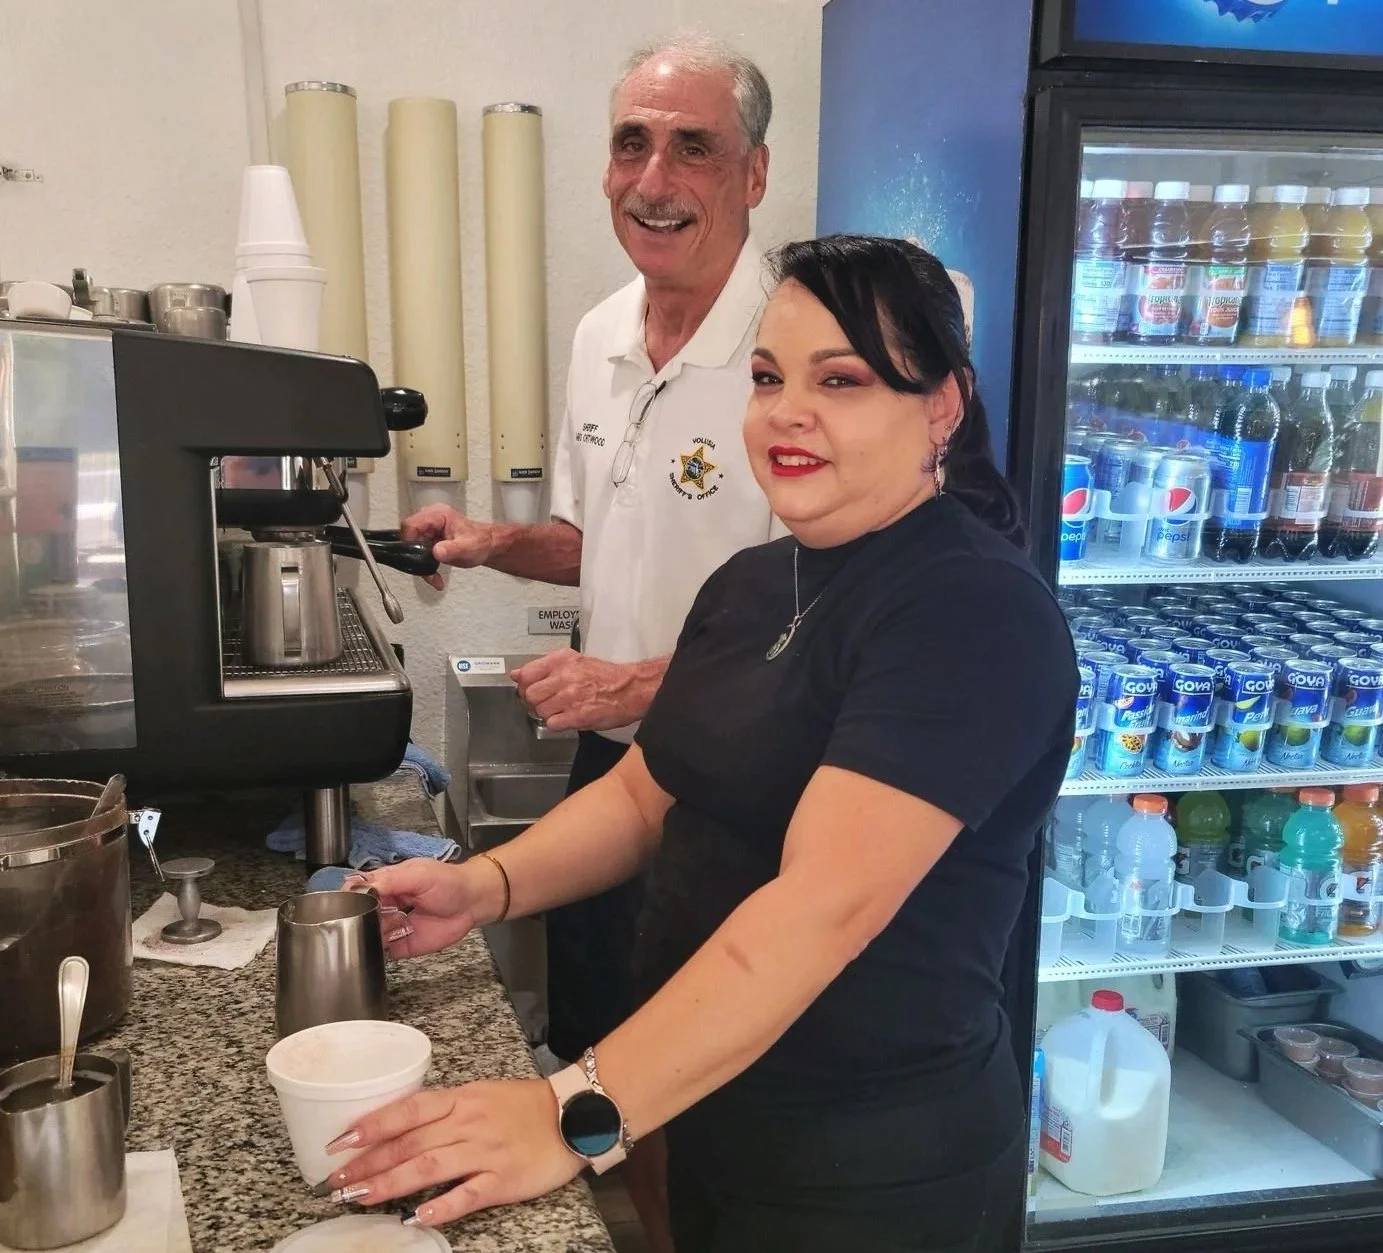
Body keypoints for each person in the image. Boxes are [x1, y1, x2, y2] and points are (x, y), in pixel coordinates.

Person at [338, 236, 1076, 1252]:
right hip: (712, 1103)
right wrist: (485, 885)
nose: (787, 412)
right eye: (769, 377)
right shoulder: (754, 579)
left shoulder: (971, 610)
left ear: (942, 404)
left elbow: (818, 912)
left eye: (843, 379)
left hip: (873, 1171)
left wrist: (571, 1110)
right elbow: (648, 791)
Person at [401, 35, 780, 1103]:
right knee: (593, 1050)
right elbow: (598, 532)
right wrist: (489, 540)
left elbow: (819, 612)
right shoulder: (601, 332)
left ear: (753, 173)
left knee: (703, 1079)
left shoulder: (790, 344)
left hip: (735, 782)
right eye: (631, 145)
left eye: (692, 148)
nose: (653, 182)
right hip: (607, 762)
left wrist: (634, 679)